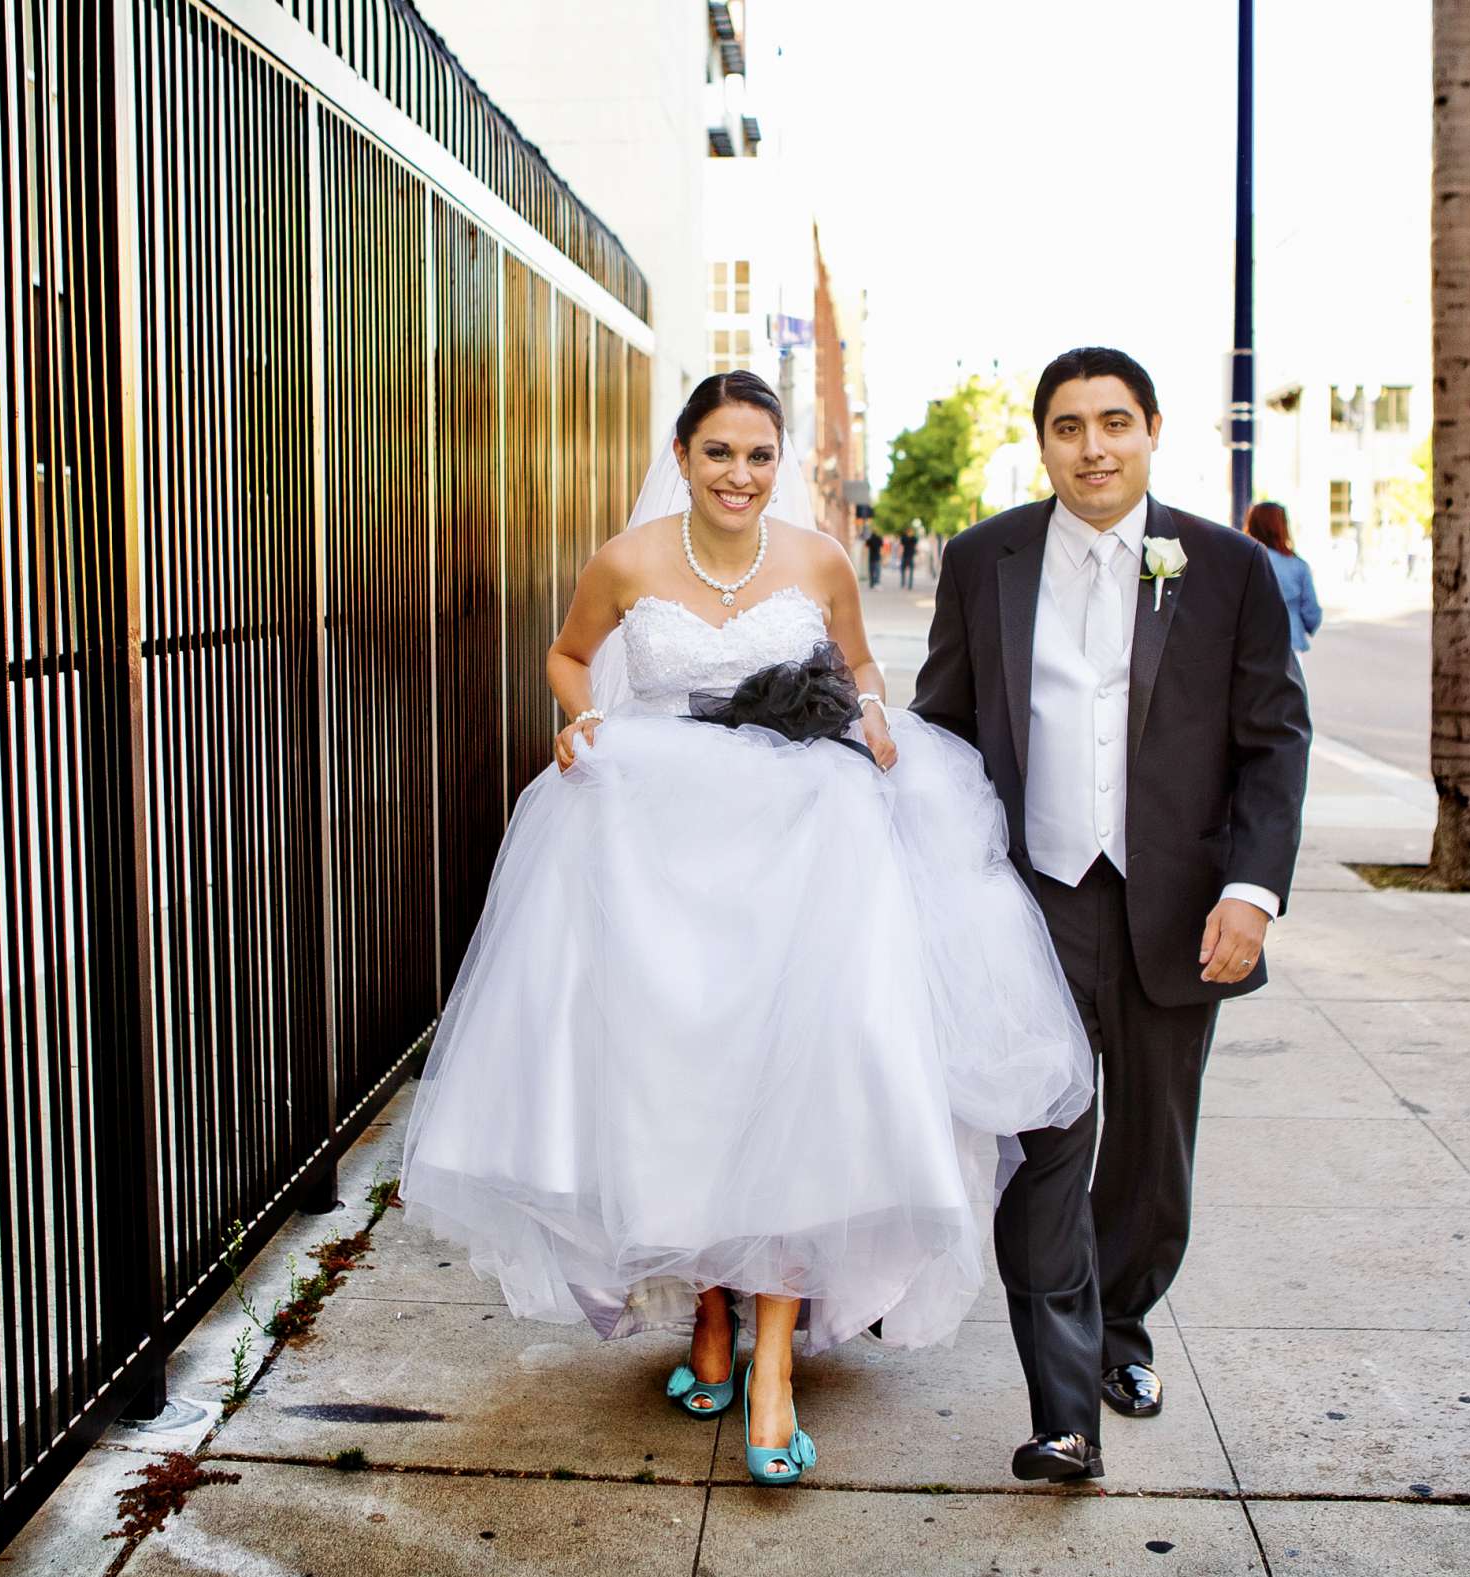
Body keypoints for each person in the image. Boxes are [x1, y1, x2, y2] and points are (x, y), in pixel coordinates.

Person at [399, 371, 1093, 1489]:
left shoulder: (818, 561)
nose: (739, 475)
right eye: (719, 452)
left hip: (801, 844)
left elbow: (861, 664)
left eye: (759, 455)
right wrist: (581, 718)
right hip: (661, 847)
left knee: (800, 1082)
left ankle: (771, 1363)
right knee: (687, 1086)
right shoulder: (626, 563)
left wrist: (868, 712)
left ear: (783, 463)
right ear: (681, 457)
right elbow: (571, 656)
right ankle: (708, 1315)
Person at [912, 347, 1311, 1484]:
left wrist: (1253, 890)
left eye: (1115, 423)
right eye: (1070, 427)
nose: (1094, 446)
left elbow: (1275, 738)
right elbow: (945, 721)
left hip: (1181, 906)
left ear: (1152, 431)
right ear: (1041, 441)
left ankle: (1123, 1323)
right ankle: (1061, 1408)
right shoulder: (985, 557)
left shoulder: (1228, 567)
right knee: (1044, 1145)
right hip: (1030, 900)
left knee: (1152, 1150)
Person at [1243, 501, 1322, 652]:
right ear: (1282, 527)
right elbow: (1312, 614)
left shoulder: (1242, 562)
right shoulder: (1298, 566)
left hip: (1249, 648)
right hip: (1289, 646)